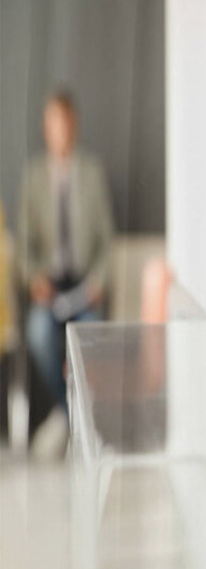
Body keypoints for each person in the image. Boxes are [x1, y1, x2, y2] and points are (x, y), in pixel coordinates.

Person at [16, 90, 114, 456]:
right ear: (46, 128)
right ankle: (72, 416)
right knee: (40, 334)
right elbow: (24, 247)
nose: (62, 130)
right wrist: (34, 278)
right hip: (50, 287)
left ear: (75, 125)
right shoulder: (32, 178)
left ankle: (70, 423)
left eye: (67, 123)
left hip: (85, 285)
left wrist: (99, 281)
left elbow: (107, 242)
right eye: (55, 124)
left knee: (90, 340)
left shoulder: (91, 173)